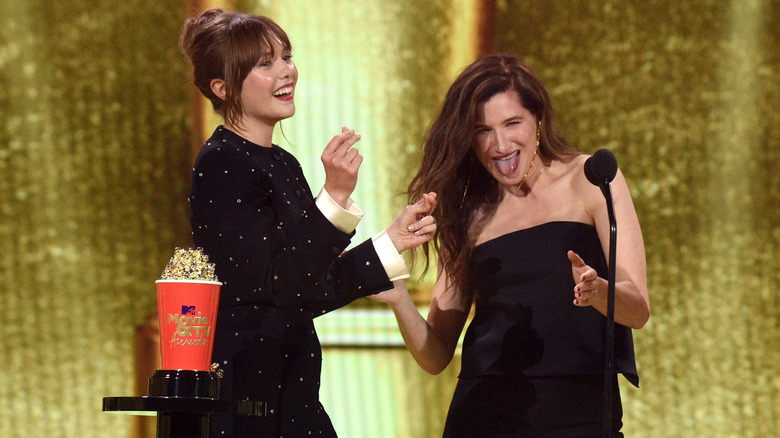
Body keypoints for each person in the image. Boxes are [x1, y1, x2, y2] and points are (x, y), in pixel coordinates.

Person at [180, 9, 437, 438]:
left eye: (286, 56)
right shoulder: (222, 163)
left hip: (293, 394)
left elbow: (310, 290)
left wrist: (391, 242)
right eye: (265, 63)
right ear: (222, 88)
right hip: (244, 403)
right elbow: (281, 285)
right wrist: (334, 196)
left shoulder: (283, 164)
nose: (287, 71)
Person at [371, 54, 649, 437]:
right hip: (484, 417)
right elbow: (436, 356)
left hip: (580, 417)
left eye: (512, 123)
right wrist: (400, 298)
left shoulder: (591, 180)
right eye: (482, 130)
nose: (500, 144)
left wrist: (598, 291)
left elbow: (637, 311)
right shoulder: (468, 214)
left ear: (538, 119)